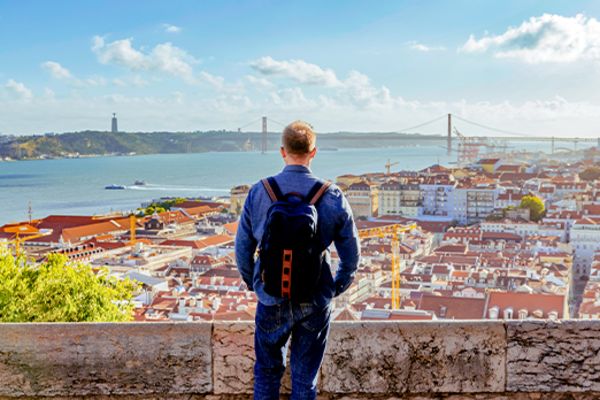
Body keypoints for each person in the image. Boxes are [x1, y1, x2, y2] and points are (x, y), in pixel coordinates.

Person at [235, 120, 360, 400]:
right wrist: (334, 287)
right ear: (313, 152)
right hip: (315, 298)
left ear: (282, 152)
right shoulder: (332, 195)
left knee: (266, 373)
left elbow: (243, 248)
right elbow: (351, 257)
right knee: (305, 380)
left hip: (271, 296)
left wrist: (253, 283)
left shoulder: (259, 192)